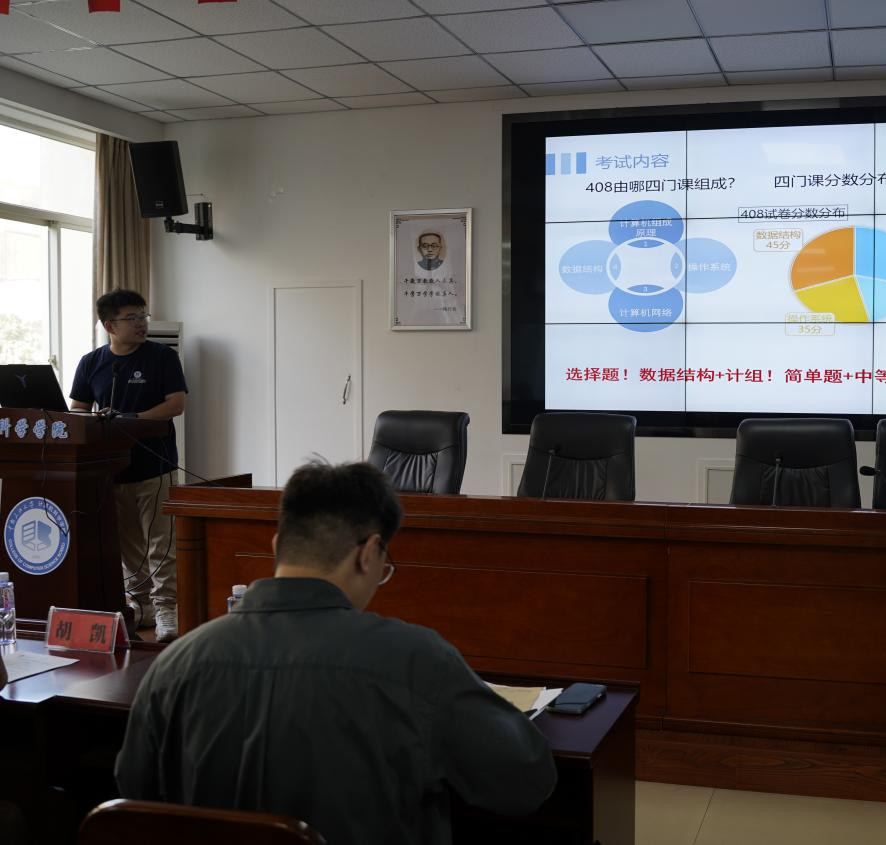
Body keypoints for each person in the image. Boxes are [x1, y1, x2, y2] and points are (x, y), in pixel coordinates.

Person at [114, 460, 557, 845]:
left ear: (277, 547)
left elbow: (134, 794)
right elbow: (525, 780)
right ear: (369, 553)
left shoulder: (175, 664)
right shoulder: (416, 661)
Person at [69, 290, 186, 642]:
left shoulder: (162, 357)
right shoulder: (91, 362)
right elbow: (77, 409)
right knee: (129, 547)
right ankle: (141, 605)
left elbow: (176, 404)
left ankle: (167, 609)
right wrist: (97, 420)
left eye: (142, 316)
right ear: (109, 326)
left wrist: (131, 420)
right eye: (131, 318)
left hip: (156, 466)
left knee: (161, 543)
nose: (140, 323)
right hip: (112, 470)